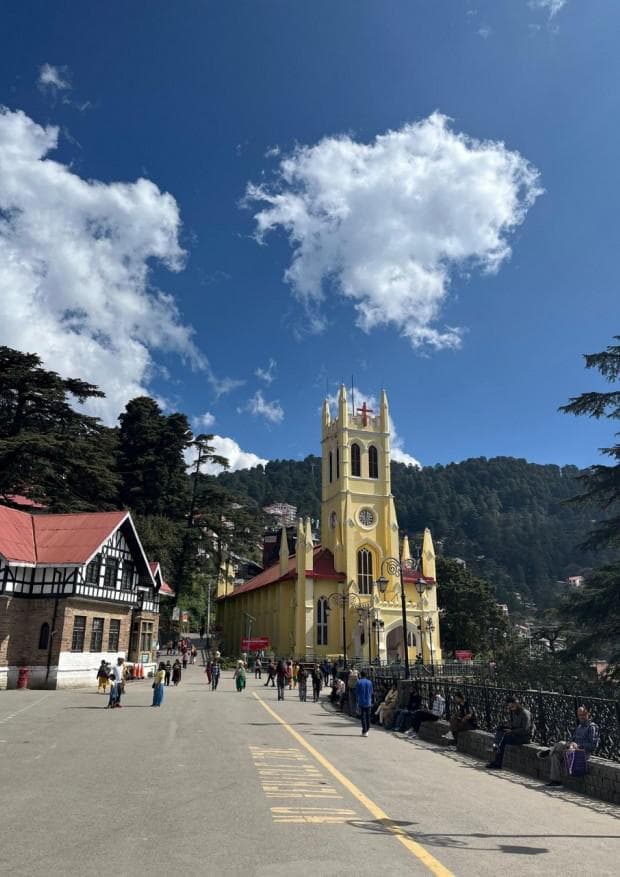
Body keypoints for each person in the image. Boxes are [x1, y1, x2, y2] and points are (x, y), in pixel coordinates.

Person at [539, 706, 599, 787]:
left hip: (582, 753)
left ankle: (549, 750)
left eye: (583, 714)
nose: (581, 717)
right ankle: (556, 782)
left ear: (588, 714)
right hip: (572, 751)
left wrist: (578, 745)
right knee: (555, 755)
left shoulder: (592, 727)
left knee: (561, 744)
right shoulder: (579, 726)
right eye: (579, 715)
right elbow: (572, 739)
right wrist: (570, 744)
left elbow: (592, 746)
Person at [486, 696, 532, 769]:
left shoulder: (525, 714)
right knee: (500, 730)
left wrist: (512, 731)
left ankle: (497, 759)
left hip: (523, 737)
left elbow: (525, 730)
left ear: (516, 704)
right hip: (515, 734)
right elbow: (514, 724)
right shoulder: (514, 712)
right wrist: (507, 725)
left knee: (503, 739)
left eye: (512, 706)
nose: (511, 709)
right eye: (510, 707)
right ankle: (496, 750)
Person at [356, 669, 374, 737]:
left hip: (361, 701)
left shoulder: (359, 682)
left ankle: (365, 730)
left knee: (363, 717)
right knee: (368, 716)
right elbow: (372, 692)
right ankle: (367, 728)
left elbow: (357, 693)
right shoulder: (370, 682)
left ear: (360, 675)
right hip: (368, 701)